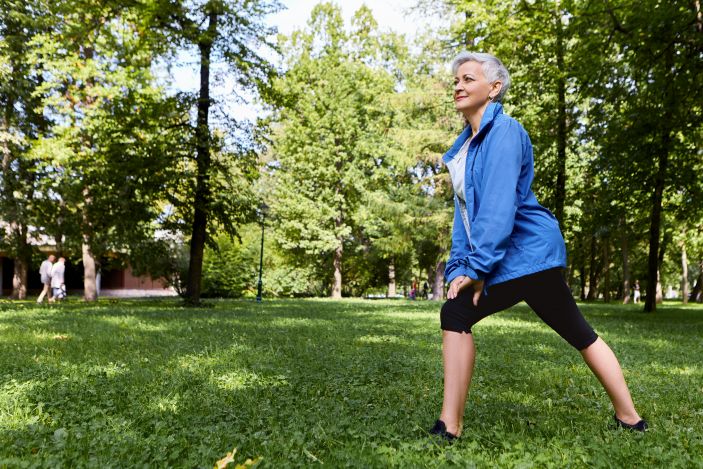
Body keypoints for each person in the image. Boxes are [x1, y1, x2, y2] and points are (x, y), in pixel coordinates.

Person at [429, 52, 647, 442]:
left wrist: (478, 269)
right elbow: (463, 217)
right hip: (523, 257)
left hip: (526, 252)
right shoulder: (467, 148)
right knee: (579, 332)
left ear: (494, 88)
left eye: (468, 79)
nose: (458, 86)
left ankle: (450, 426)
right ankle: (630, 418)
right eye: (456, 81)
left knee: (456, 314)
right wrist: (459, 266)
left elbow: (497, 210)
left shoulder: (506, 133)